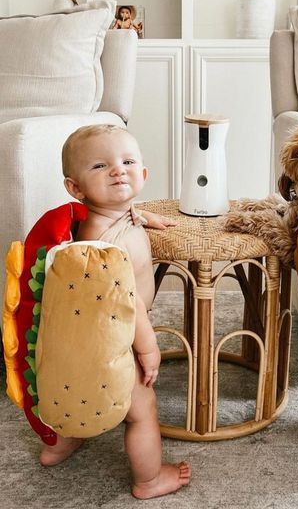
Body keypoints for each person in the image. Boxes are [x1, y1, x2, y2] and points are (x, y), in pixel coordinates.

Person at [39, 124, 191, 500]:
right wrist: (148, 348)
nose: (117, 170)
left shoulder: (107, 217)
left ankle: (60, 444)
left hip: (76, 338)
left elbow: (125, 213)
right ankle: (150, 479)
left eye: (126, 162)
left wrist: (145, 217)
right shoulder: (106, 247)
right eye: (100, 166)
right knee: (141, 411)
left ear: (143, 174)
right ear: (75, 188)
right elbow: (129, 305)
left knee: (74, 389)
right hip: (116, 340)